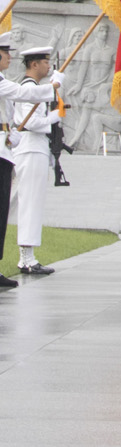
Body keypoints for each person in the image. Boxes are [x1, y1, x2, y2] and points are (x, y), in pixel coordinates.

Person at [9, 46, 62, 277]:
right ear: (34, 64)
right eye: (45, 62)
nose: (48, 66)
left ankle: (27, 256)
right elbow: (31, 123)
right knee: (29, 203)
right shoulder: (27, 89)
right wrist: (56, 115)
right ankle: (26, 259)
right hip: (29, 148)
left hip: (36, 148)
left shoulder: (35, 90)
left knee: (32, 203)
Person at [0, 35, 19, 290]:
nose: (10, 57)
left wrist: (9, 133)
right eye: (6, 53)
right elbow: (23, 91)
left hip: (3, 150)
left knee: (2, 209)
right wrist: (52, 87)